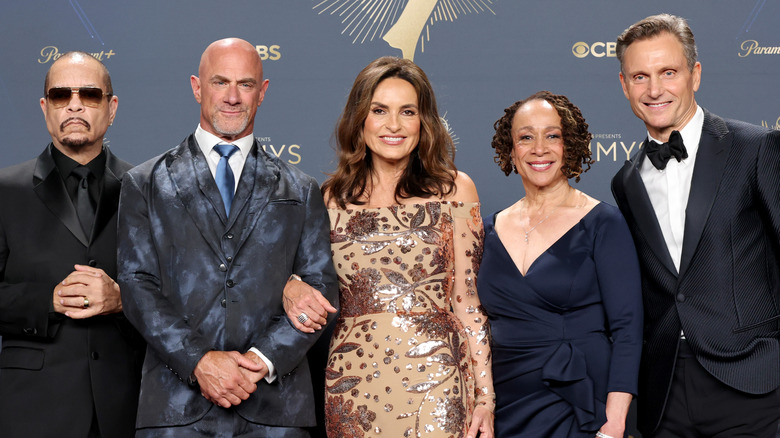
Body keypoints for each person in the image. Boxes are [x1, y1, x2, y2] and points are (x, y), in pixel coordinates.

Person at [116, 38, 338, 437]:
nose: (233, 97)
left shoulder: (301, 189)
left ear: (263, 92)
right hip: (174, 412)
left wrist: (260, 360)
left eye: (246, 84)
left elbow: (321, 289)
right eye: (220, 82)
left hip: (275, 412)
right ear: (197, 87)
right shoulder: (144, 184)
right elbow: (136, 287)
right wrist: (199, 361)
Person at [284, 56, 494, 438]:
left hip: (438, 380)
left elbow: (467, 301)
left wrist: (485, 399)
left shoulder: (454, 189)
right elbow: (303, 278)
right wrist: (291, 284)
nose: (393, 125)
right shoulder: (330, 198)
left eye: (407, 111)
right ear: (360, 120)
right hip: (353, 380)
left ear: (423, 122)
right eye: (379, 110)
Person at [611, 13, 780, 437]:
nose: (654, 90)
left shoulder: (755, 148)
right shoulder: (626, 181)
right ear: (623, 85)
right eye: (640, 76)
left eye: (668, 72)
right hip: (665, 390)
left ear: (695, 75)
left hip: (755, 383)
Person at [478, 91, 643, 437]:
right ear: (510, 150)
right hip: (505, 404)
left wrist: (614, 424)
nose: (539, 148)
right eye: (526, 137)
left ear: (571, 146)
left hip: (580, 401)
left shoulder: (603, 223)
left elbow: (628, 329)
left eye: (552, 135)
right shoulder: (487, 230)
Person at [0, 52, 144, 438]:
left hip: (126, 408)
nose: (75, 105)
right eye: (62, 95)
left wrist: (122, 299)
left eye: (90, 95)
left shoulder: (147, 190)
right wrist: (47, 301)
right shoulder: (4, 191)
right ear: (46, 108)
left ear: (111, 108)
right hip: (31, 409)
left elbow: (181, 297)